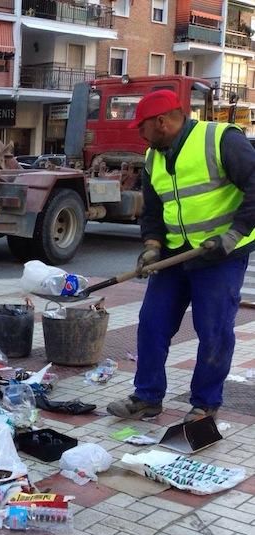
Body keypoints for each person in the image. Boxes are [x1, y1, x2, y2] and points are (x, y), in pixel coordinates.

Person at [106, 89, 255, 423]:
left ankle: (205, 404)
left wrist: (232, 236)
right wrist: (151, 247)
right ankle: (147, 397)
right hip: (174, 255)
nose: (140, 136)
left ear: (161, 122)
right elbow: (153, 211)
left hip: (219, 256)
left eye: (142, 128)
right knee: (152, 324)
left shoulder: (221, 140)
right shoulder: (153, 157)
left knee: (213, 330)